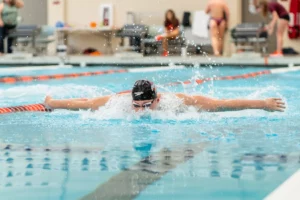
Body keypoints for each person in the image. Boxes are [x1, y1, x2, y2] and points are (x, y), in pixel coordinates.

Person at [44, 80, 286, 113]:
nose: (142, 111)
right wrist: (52, 103)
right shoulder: (119, 102)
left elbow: (220, 104)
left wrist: (263, 104)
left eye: (147, 105)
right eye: (137, 105)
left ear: (157, 100)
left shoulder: (176, 101)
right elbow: (84, 104)